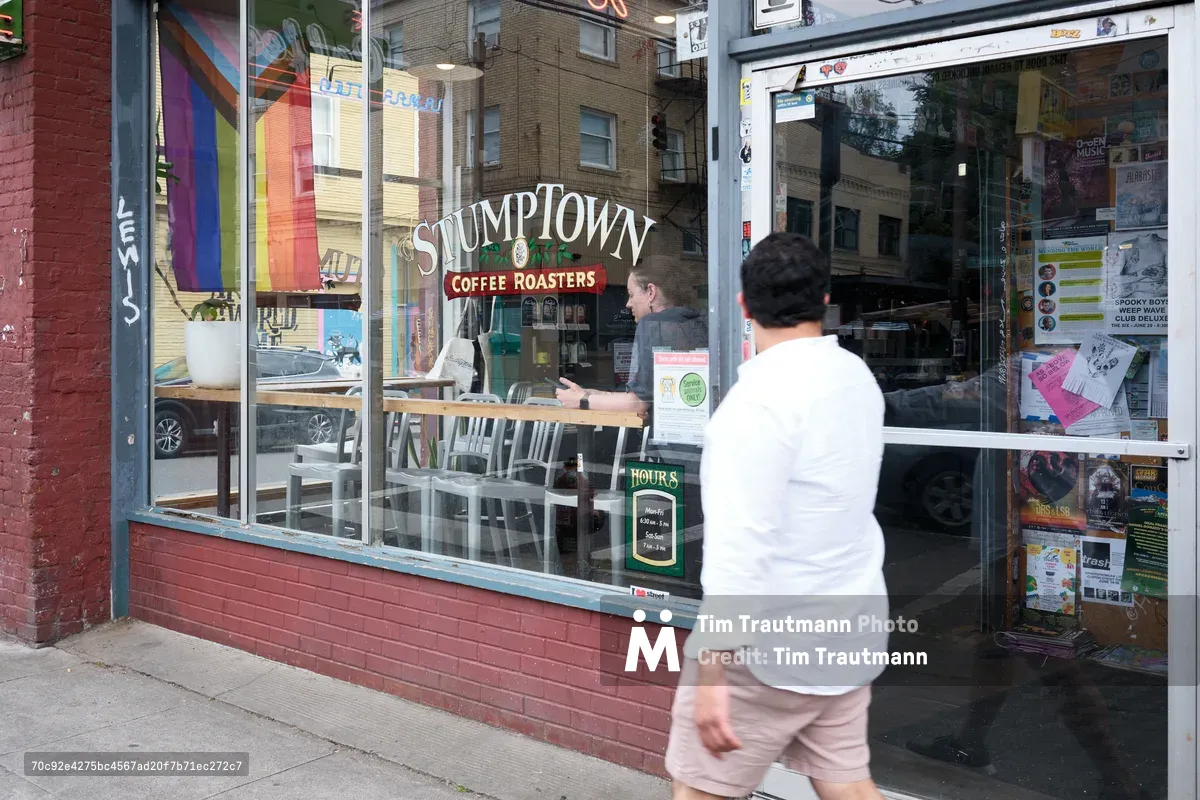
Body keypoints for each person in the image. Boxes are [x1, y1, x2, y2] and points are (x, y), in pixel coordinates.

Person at [665, 232, 889, 800]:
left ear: (743, 305)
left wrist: (711, 671)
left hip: (767, 648)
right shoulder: (856, 380)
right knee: (849, 786)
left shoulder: (758, 405)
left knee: (699, 792)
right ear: (825, 299)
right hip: (849, 627)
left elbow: (741, 550)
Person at [556, 257, 707, 413]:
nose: (628, 303)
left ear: (651, 292)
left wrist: (582, 400)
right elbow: (647, 395)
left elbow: (637, 404)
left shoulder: (652, 325)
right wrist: (598, 394)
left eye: (631, 294)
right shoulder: (696, 321)